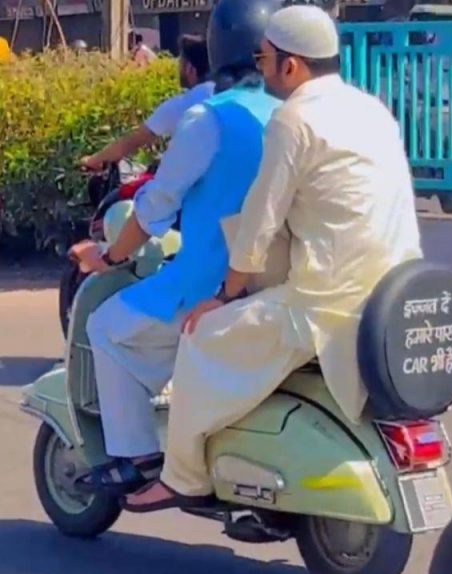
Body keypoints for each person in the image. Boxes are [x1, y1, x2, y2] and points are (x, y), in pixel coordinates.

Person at [124, 4, 422, 511]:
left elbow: (260, 223)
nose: (260, 71)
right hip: (392, 292)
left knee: (199, 337)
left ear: (290, 64)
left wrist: (224, 296)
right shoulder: (373, 110)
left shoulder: (293, 119)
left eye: (262, 59)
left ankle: (182, 476)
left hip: (324, 304)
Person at [67, 0, 285, 496]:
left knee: (106, 327)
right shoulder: (289, 113)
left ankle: (139, 458)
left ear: (215, 48)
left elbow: (154, 210)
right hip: (278, 284)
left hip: (209, 284)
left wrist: (107, 257)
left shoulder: (206, 118)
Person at [81, 35, 214, 172]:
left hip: (190, 183)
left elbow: (132, 142)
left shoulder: (181, 105)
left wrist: (93, 160)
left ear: (190, 69)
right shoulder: (224, 96)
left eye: (180, 64)